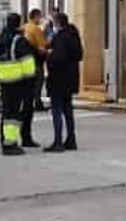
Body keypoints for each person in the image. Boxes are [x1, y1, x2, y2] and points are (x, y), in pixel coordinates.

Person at [0, 13, 35, 155]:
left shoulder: (0, 40)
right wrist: (30, 80)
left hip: (4, 81)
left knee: (6, 112)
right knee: (14, 115)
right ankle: (10, 144)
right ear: (18, 23)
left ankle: (5, 140)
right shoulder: (19, 40)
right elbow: (28, 64)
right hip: (17, 82)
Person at [45, 12, 83, 152]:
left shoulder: (61, 37)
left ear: (58, 23)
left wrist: (48, 55)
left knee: (57, 110)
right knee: (68, 109)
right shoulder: (74, 35)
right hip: (71, 78)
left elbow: (58, 58)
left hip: (59, 78)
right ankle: (71, 139)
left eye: (53, 23)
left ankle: (58, 141)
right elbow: (79, 55)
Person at [21, 9, 50, 148]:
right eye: (39, 16)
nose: (41, 18)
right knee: (38, 82)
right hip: (35, 61)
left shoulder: (24, 28)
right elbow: (42, 45)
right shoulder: (36, 29)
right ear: (35, 17)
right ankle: (37, 102)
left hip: (23, 65)